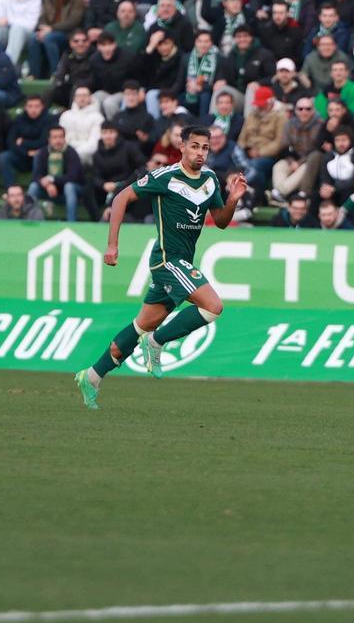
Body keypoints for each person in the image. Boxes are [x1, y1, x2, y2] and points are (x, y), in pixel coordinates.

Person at [74, 126, 248, 410]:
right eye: (195, 146)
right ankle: (157, 342)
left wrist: (232, 199)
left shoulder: (210, 180)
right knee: (213, 306)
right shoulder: (164, 176)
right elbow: (121, 198)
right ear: (182, 147)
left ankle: (91, 376)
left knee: (140, 326)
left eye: (205, 148)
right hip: (167, 260)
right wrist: (112, 245)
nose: (200, 153)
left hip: (183, 263)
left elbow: (222, 220)